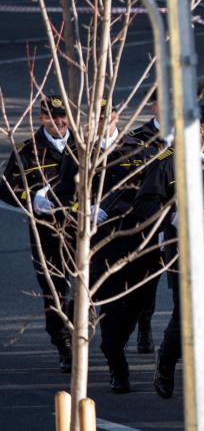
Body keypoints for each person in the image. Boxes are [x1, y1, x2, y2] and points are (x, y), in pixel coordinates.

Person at [53, 100, 156, 394]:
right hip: (100, 243)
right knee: (109, 308)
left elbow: (153, 192)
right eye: (95, 115)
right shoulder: (79, 153)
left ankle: (118, 345)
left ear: (116, 115)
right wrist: (83, 208)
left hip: (138, 240)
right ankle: (117, 365)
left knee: (137, 305)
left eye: (106, 114)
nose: (101, 120)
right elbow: (63, 195)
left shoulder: (139, 147)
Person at [134, 106, 204, 399]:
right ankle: (165, 362)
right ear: (200, 128)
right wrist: (171, 216)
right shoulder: (169, 161)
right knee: (186, 316)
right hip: (185, 253)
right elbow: (146, 200)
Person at [0, 94, 74, 372]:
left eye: (63, 116)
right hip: (46, 230)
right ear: (42, 118)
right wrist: (31, 199)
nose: (59, 122)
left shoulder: (81, 145)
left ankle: (76, 328)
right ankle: (62, 341)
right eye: (52, 118)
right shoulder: (27, 149)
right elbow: (5, 188)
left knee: (86, 287)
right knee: (54, 287)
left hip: (79, 227)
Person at [125, 89, 166, 355]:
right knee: (146, 279)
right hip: (147, 220)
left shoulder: (191, 134)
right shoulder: (137, 140)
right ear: (153, 107)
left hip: (176, 220)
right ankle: (144, 325)